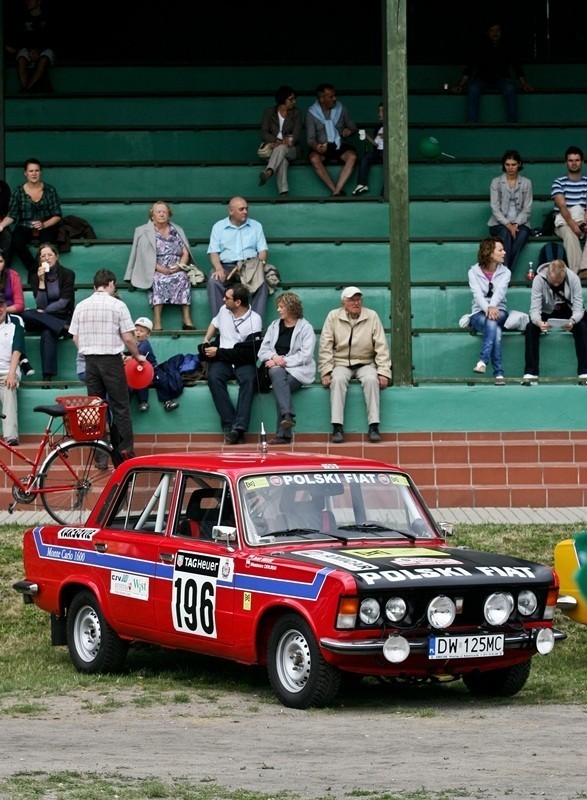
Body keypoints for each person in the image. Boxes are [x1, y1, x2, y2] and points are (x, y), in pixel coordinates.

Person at [69, 269, 146, 464]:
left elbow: (75, 337)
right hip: (111, 360)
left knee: (95, 407)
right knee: (120, 407)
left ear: (95, 286)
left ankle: (100, 455)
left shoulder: (81, 305)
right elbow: (128, 337)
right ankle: (124, 452)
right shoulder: (117, 305)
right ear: (111, 283)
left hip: (90, 360)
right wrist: (137, 356)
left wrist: (86, 350)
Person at [318, 286, 391, 443]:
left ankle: (374, 426)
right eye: (351, 299)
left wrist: (384, 371)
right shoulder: (333, 316)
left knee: (372, 379)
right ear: (343, 302)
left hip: (365, 362)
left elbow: (381, 346)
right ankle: (337, 427)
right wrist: (326, 370)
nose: (356, 303)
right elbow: (325, 345)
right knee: (336, 380)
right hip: (341, 363)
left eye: (358, 299)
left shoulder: (372, 316)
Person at [202, 285, 262, 445]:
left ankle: (239, 428)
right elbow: (214, 323)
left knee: (250, 380)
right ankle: (232, 428)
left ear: (238, 302)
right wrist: (206, 340)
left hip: (242, 361)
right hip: (223, 359)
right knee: (214, 379)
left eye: (227, 298)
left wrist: (219, 352)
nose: (223, 299)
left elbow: (247, 354)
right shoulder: (224, 310)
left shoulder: (255, 320)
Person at [124, 201, 195, 331]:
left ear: (169, 215)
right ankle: (157, 320)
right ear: (152, 215)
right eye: (158, 212)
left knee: (183, 278)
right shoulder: (142, 231)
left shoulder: (177, 230)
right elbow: (143, 255)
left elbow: (185, 252)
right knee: (157, 279)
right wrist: (159, 268)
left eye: (164, 212)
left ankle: (187, 319)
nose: (162, 214)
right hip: (154, 268)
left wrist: (180, 265)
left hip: (176, 267)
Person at [257, 292, 316, 445]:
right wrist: (274, 357)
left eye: (281, 306)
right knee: (277, 376)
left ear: (291, 308)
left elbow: (306, 355)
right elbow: (262, 351)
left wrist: (282, 361)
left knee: (280, 387)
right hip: (277, 367)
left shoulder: (306, 328)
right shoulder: (274, 326)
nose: (278, 310)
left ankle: (283, 433)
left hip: (299, 369)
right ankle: (287, 416)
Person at [451, 21, 534, 123]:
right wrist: (460, 85)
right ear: (488, 33)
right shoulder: (481, 46)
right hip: (481, 79)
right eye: (492, 30)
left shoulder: (507, 46)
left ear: (501, 32)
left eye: (497, 30)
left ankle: (513, 123)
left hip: (502, 79)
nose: (495, 33)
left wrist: (525, 84)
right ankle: (471, 123)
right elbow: (470, 67)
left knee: (510, 89)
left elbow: (516, 66)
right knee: (473, 89)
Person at [522, 259, 587, 385]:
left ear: (565, 275)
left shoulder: (573, 279)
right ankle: (531, 373)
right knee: (530, 328)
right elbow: (534, 309)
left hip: (568, 311)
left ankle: (584, 372)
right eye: (553, 282)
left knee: (583, 326)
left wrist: (573, 321)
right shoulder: (539, 279)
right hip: (547, 312)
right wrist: (539, 322)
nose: (556, 284)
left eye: (559, 281)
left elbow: (579, 308)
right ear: (548, 274)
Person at [206, 196, 269, 320]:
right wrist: (218, 268)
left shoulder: (256, 226)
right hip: (226, 266)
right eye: (241, 209)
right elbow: (213, 252)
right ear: (231, 211)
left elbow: (263, 251)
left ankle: (255, 325)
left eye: (246, 208)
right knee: (213, 282)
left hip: (249, 266)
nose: (245, 211)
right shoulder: (218, 226)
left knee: (262, 283)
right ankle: (221, 323)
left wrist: (257, 266)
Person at [21, 243, 75, 384]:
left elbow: (63, 302)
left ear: (56, 256)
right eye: (43, 256)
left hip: (62, 314)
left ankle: (47, 377)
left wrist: (44, 312)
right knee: (25, 314)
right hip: (48, 318)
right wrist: (41, 281)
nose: (47, 258)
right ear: (40, 260)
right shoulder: (34, 277)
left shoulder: (67, 274)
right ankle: (64, 327)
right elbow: (41, 303)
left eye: (50, 255)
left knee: (47, 331)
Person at [0, 158, 62, 279]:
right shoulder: (18, 191)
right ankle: (34, 271)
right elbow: (12, 215)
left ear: (41, 172)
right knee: (16, 242)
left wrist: (44, 225)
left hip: (46, 224)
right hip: (25, 225)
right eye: (31, 171)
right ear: (25, 173)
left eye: (37, 171)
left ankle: (39, 274)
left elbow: (57, 215)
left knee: (46, 246)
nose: (34, 173)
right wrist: (2, 225)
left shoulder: (50, 190)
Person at [467, 236, 511, 385]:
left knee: (493, 321)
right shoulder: (473, 272)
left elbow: (499, 293)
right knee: (495, 330)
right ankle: (499, 374)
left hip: (500, 311)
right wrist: (487, 308)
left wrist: (493, 307)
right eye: (500, 250)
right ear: (490, 253)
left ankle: (483, 360)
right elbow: (477, 295)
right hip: (478, 313)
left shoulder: (506, 272)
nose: (504, 252)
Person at [306, 83, 358, 196]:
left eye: (335, 95)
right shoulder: (312, 113)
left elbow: (353, 127)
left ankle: (336, 191)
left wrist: (348, 131)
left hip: (339, 144)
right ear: (321, 99)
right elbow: (310, 139)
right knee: (314, 158)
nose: (335, 99)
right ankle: (334, 189)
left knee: (352, 156)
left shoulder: (341, 108)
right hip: (323, 147)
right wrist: (317, 147)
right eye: (331, 97)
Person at [487, 149, 533, 273]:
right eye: (507, 165)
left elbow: (527, 208)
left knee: (523, 234)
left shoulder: (526, 183)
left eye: (513, 164)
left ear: (519, 164)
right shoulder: (496, 182)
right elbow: (495, 208)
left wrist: (516, 224)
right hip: (499, 223)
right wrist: (508, 225)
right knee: (505, 233)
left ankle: (506, 272)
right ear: (503, 165)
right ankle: (506, 273)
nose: (510, 168)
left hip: (521, 224)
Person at [258, 85, 302, 196]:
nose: (294, 101)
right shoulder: (269, 112)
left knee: (282, 148)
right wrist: (276, 141)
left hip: (292, 149)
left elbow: (296, 134)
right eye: (291, 99)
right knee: (282, 160)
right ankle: (283, 193)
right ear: (283, 100)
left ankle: (269, 171)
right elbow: (264, 133)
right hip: (274, 147)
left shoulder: (296, 113)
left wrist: (287, 142)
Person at [551, 146, 587, 276]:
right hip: (564, 222)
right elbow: (562, 206)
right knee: (570, 233)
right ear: (565, 163)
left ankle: (584, 269)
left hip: (582, 218)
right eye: (571, 160)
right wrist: (572, 224)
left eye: (577, 160)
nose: (574, 163)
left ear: (582, 162)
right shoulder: (558, 182)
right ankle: (575, 273)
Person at [5, 0, 54, 93]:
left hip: (44, 49)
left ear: (39, 1)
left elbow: (51, 39)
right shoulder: (23, 18)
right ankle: (24, 88)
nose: (28, 1)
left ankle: (27, 89)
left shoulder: (47, 18)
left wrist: (38, 51)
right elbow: (20, 38)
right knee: (21, 59)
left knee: (43, 59)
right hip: (27, 49)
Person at [0, 249, 34, 376]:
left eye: (0, 261)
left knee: (17, 320)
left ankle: (20, 357)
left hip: (9, 312)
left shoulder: (12, 275)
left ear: (5, 262)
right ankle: (22, 359)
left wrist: (3, 310)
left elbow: (19, 304)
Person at [0, 292, 25, 447]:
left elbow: (17, 349)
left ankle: (10, 436)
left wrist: (11, 374)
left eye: (1, 305)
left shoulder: (15, 322)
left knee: (9, 387)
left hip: (8, 369)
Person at [122, 317, 158, 414]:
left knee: (140, 380)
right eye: (136, 330)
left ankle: (143, 401)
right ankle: (125, 403)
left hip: (151, 371)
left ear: (148, 334)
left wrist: (126, 358)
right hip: (138, 369)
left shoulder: (145, 344)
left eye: (141, 331)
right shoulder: (134, 342)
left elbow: (136, 357)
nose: (138, 333)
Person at [352, 102, 384, 196]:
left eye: (382, 111)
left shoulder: (393, 126)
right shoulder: (379, 127)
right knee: (365, 158)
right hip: (378, 151)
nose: (379, 113)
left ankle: (385, 191)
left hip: (388, 152)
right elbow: (376, 143)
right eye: (379, 111)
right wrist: (366, 136)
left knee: (388, 166)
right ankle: (362, 184)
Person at [0, 179, 12, 256]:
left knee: (7, 236)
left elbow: (9, 210)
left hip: (1, 221)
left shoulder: (3, 186)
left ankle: (4, 264)